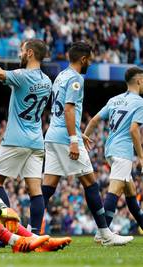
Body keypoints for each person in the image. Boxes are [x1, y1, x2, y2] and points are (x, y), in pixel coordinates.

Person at [42, 41, 133, 246]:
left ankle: (29, 231)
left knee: (47, 187)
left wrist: (78, 133)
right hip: (66, 139)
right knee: (90, 183)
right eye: (89, 59)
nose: (90, 63)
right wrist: (74, 139)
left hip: (54, 135)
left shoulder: (60, 76)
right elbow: (68, 108)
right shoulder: (75, 79)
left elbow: (60, 111)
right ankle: (105, 234)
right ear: (83, 59)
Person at [0, 39, 52, 236]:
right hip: (37, 141)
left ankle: (8, 231)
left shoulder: (22, 75)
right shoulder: (47, 81)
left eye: (21, 51)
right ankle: (34, 234)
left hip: (15, 140)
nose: (19, 54)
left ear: (29, 53)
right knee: (35, 189)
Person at [84, 67, 143, 241]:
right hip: (123, 151)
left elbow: (95, 120)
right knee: (115, 189)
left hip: (110, 149)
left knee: (130, 191)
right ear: (139, 80)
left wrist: (84, 137)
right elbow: (134, 130)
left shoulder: (114, 100)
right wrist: (141, 156)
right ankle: (102, 233)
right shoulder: (139, 102)